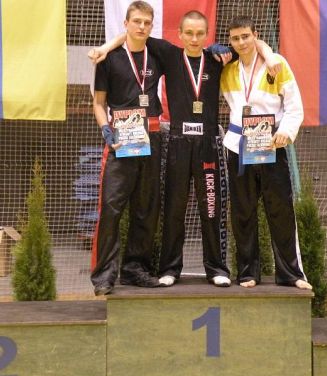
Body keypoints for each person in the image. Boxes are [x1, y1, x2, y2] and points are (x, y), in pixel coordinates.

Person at [89, 10, 280, 288]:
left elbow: (251, 43)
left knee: (211, 207)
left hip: (208, 143)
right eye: (188, 33)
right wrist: (106, 47)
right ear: (179, 34)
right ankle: (170, 268)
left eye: (200, 33)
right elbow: (134, 35)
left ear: (207, 35)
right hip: (176, 142)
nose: (194, 38)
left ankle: (216, 268)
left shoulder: (217, 58)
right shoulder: (169, 55)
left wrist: (270, 55)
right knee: (173, 208)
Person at [220, 16, 312, 289]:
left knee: (281, 210)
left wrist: (286, 131)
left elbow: (294, 106)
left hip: (271, 144)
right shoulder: (227, 69)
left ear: (255, 35)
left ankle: (291, 274)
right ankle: (248, 272)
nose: (241, 42)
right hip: (238, 147)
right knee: (243, 212)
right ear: (230, 41)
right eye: (235, 38)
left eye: (246, 36)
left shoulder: (277, 65)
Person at [91, 1, 162, 295]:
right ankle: (104, 276)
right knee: (111, 208)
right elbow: (99, 103)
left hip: (152, 140)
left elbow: (189, 50)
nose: (142, 27)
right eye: (137, 22)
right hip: (120, 140)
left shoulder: (157, 54)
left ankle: (135, 270)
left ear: (152, 25)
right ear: (126, 23)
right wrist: (105, 129)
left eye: (147, 22)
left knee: (146, 209)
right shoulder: (108, 59)